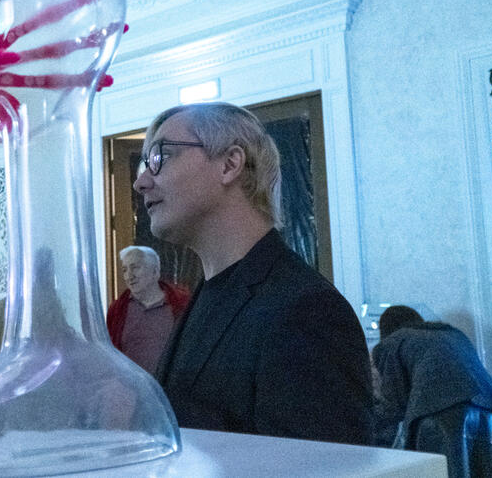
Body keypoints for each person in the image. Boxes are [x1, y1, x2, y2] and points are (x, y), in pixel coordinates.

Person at [132, 102, 373, 444]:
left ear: (230, 164)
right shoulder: (205, 295)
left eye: (161, 156)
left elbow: (323, 465)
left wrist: (142, 411)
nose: (141, 182)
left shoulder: (307, 309)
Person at [372, 311, 492, 478]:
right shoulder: (454, 334)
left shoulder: (392, 342)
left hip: (439, 415)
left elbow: (393, 402)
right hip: (491, 412)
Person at [106, 246, 189, 374]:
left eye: (135, 268)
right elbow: (110, 354)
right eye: (125, 270)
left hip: (171, 384)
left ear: (155, 272)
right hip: (131, 385)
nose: (129, 276)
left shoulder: (182, 306)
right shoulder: (117, 311)